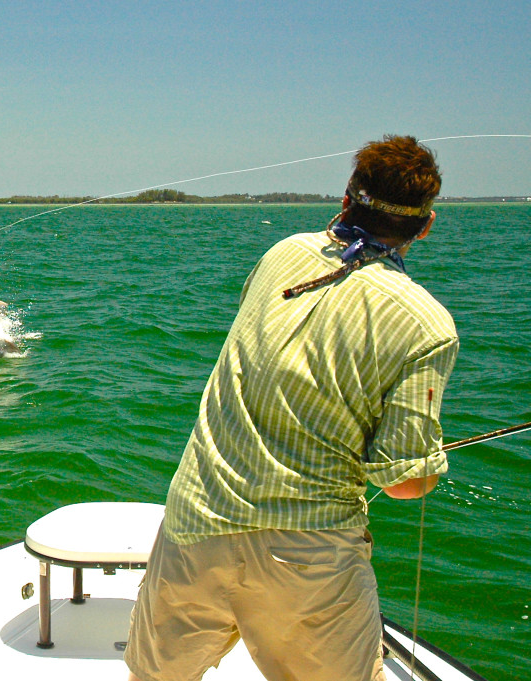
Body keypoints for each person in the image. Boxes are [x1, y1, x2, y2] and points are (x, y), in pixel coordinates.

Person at [125, 135, 458, 681]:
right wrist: (426, 464)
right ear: (425, 226)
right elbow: (403, 481)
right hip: (309, 558)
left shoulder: (283, 253)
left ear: (347, 199)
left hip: (195, 525)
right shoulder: (427, 324)